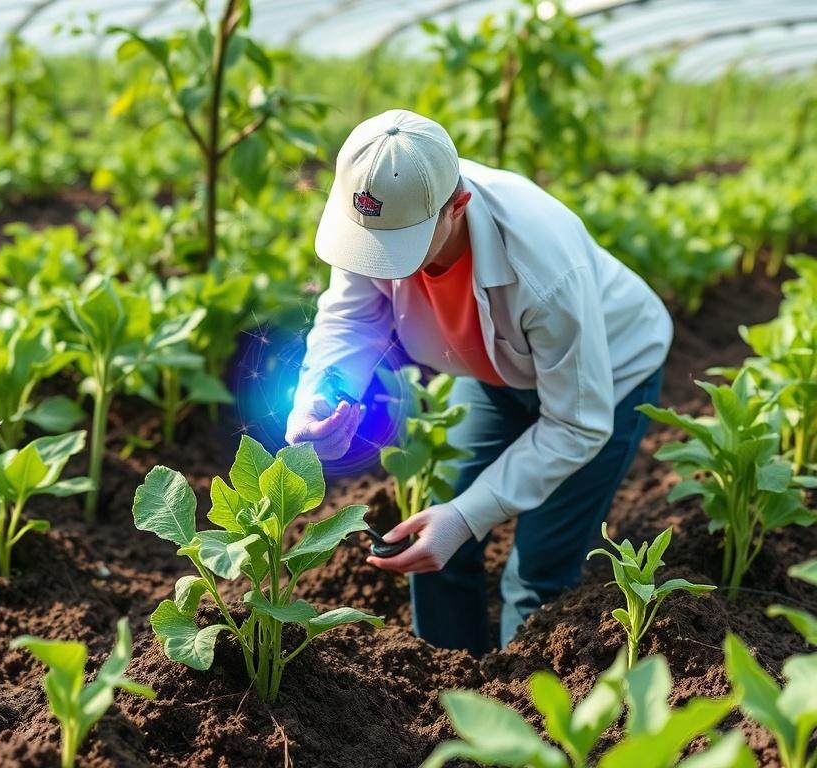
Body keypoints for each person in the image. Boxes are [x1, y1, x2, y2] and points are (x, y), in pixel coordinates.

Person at [284, 109, 672, 656]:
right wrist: (322, 393)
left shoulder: (544, 267)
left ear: (456, 207)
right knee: (431, 529)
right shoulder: (380, 210)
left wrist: (470, 516)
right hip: (491, 370)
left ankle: (528, 714)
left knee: (537, 569)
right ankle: (445, 686)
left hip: (606, 378)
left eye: (401, 247)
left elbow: (576, 424)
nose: (384, 268)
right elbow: (350, 317)